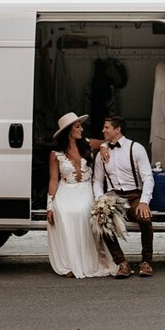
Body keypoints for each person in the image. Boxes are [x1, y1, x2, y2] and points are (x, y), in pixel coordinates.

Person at [46, 111, 118, 278]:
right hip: (66, 189)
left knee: (84, 211)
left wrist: (102, 146)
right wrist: (50, 205)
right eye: (77, 126)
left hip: (85, 189)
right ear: (68, 131)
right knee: (64, 212)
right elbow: (53, 181)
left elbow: (106, 141)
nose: (81, 129)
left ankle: (91, 261)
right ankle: (70, 263)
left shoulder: (86, 144)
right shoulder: (55, 154)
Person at [92, 115, 155, 278]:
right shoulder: (101, 154)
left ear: (117, 129)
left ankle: (146, 261)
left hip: (135, 196)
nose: (103, 130)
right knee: (101, 219)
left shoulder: (136, 148)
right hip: (114, 198)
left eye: (106, 127)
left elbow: (148, 178)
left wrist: (144, 202)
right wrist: (101, 200)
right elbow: (97, 181)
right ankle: (122, 262)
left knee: (145, 219)